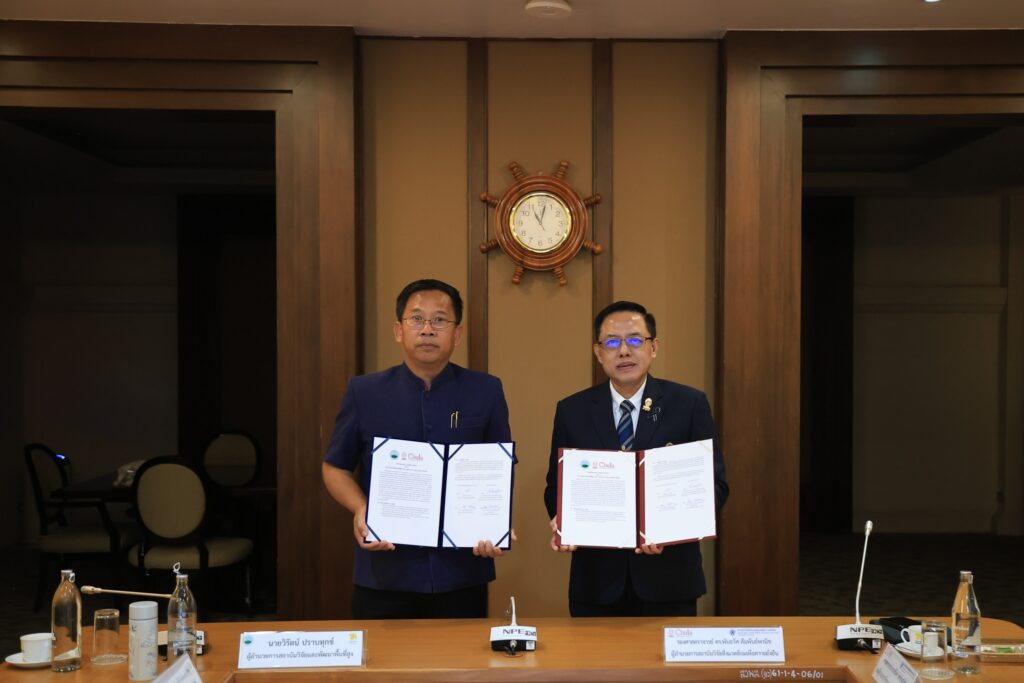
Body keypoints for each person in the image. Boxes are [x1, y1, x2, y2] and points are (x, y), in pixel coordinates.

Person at [322, 278, 514, 619]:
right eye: (416, 319)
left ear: (457, 333)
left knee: (462, 655)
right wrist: (361, 508)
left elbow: (498, 466)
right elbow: (335, 467)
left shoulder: (485, 390)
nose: (427, 329)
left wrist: (494, 522)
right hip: (385, 571)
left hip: (461, 572)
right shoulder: (364, 392)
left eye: (439, 320)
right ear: (399, 330)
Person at [544, 300, 728, 617]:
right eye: (612, 343)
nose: (624, 351)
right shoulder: (572, 410)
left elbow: (716, 485)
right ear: (598, 352)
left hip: (669, 580)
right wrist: (563, 520)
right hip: (596, 584)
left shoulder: (688, 404)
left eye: (634, 340)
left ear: (653, 347)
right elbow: (555, 487)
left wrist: (671, 529)